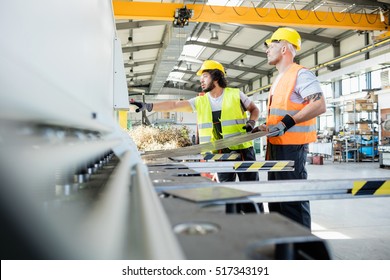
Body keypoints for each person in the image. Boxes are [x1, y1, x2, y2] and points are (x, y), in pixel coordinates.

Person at [130, 60, 263, 214]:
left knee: (251, 191)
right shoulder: (200, 101)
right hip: (220, 154)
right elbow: (174, 105)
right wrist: (149, 106)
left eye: (205, 76)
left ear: (216, 77)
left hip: (243, 151)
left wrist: (252, 122)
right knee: (226, 192)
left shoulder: (235, 94)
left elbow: (254, 109)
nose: (201, 80)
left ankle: (255, 218)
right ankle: (232, 221)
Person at [253, 27, 326, 229]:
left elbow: (319, 104)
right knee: (277, 202)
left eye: (271, 46)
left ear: (284, 48)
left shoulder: (300, 74)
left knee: (293, 202)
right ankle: (284, 249)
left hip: (292, 150)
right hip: (275, 148)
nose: (267, 50)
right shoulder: (277, 79)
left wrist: (287, 123)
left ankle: (302, 253)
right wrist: (265, 127)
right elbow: (281, 114)